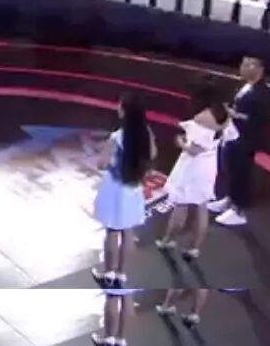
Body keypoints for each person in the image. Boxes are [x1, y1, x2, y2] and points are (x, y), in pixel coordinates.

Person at [157, 78, 237, 260]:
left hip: (193, 166)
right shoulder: (223, 112)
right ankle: (194, 248)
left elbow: (194, 150)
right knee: (201, 207)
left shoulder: (202, 117)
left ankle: (168, 240)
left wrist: (181, 143)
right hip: (209, 165)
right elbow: (231, 136)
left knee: (181, 204)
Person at [91, 95, 155, 287]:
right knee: (127, 231)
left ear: (125, 112)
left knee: (112, 231)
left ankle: (108, 272)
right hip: (133, 188)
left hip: (115, 189)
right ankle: (121, 273)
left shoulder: (117, 137)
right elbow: (152, 154)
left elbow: (101, 164)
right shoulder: (146, 133)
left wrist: (113, 164)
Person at [209, 56, 270, 226]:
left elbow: (261, 119)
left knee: (241, 173)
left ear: (260, 69)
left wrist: (235, 115)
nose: (242, 68)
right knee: (230, 170)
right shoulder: (243, 86)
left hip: (246, 139)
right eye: (242, 64)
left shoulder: (264, 93)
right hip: (231, 134)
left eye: (248, 65)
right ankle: (229, 199)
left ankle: (239, 210)